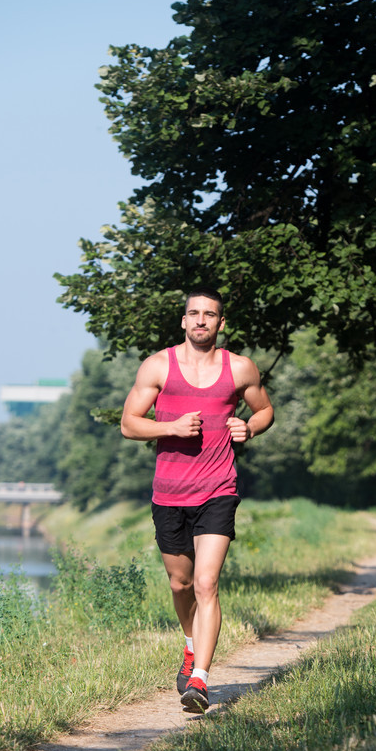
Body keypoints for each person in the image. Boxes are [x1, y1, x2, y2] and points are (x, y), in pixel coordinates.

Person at [121, 290, 274, 713]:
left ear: (221, 324)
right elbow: (130, 425)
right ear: (183, 322)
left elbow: (264, 410)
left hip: (219, 488)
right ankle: (190, 646)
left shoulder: (240, 368)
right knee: (181, 584)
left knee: (207, 583)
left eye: (210, 315)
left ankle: (200, 680)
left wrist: (250, 427)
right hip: (169, 493)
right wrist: (169, 427)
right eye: (194, 314)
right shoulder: (158, 366)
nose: (201, 320)